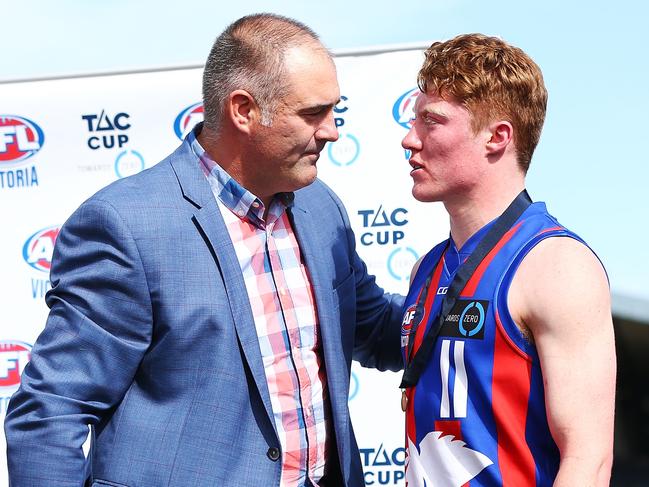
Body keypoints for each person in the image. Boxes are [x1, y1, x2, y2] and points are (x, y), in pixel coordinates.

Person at [4, 14, 404, 487]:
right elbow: (51, 411)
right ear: (243, 111)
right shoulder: (127, 226)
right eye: (313, 113)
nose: (332, 131)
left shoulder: (321, 208)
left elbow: (374, 327)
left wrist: (480, 299)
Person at [399, 34, 615, 486]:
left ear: (497, 138)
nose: (408, 139)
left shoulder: (556, 264)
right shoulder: (427, 268)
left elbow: (589, 460)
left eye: (431, 122)